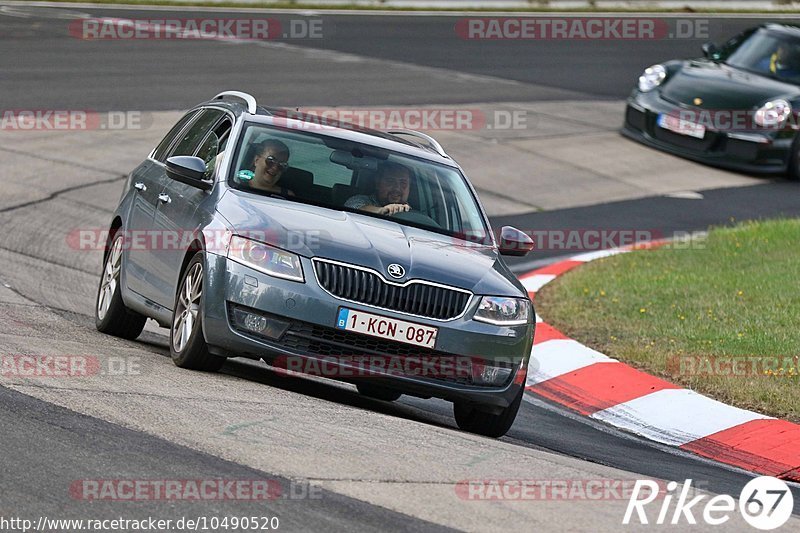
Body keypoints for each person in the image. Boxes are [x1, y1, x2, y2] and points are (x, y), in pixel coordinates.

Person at [345, 161, 413, 215]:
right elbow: (355, 207)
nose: (397, 188)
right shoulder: (360, 200)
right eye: (390, 181)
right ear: (378, 183)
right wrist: (383, 210)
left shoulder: (417, 213)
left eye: (403, 183)